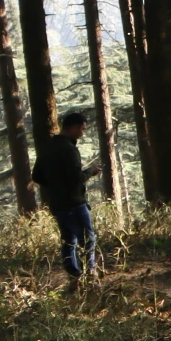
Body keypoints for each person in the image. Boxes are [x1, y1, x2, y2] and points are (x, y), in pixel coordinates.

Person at [32, 110, 97, 287]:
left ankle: (74, 276)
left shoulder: (48, 147)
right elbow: (77, 177)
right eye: (82, 129)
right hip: (75, 203)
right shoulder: (69, 149)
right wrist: (90, 171)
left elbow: (37, 176)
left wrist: (55, 185)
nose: (82, 133)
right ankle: (89, 275)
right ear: (74, 127)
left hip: (57, 203)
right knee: (87, 239)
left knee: (68, 241)